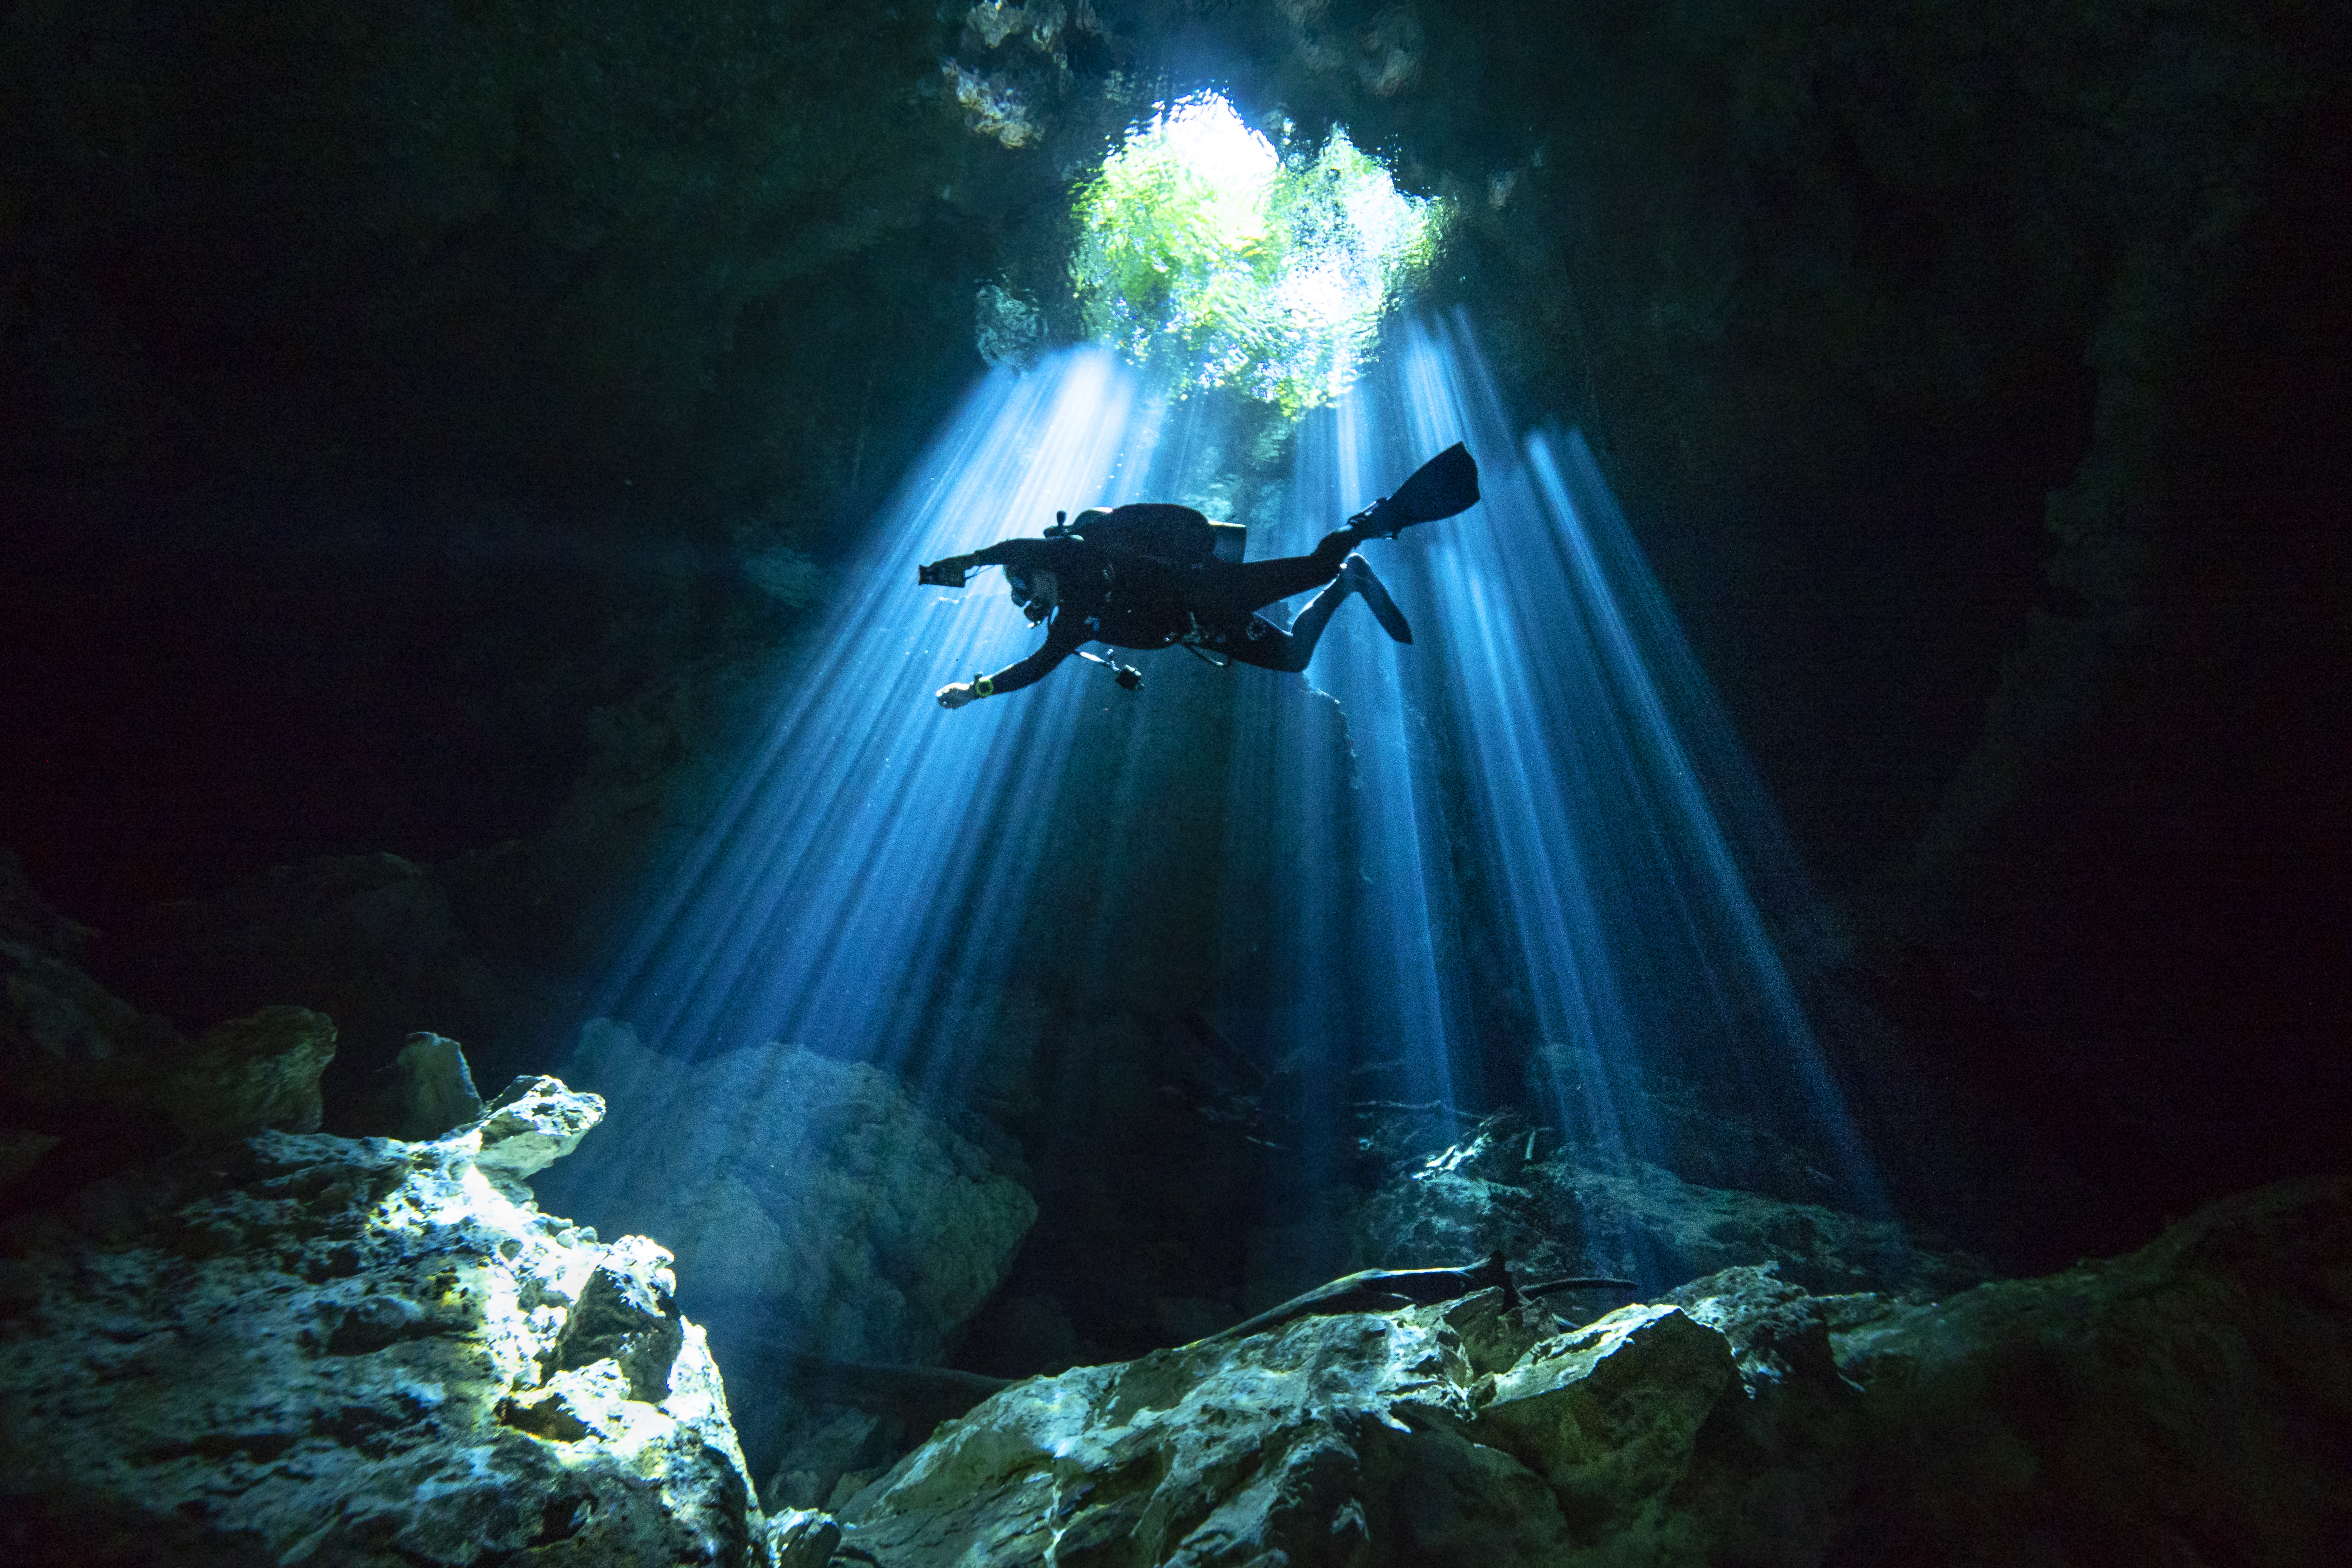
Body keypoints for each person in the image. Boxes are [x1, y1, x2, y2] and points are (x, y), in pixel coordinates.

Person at [921, 444, 1477, 708]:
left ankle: (1369, 526)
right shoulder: (1071, 624)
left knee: (1314, 564)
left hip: (1210, 589)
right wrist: (977, 690)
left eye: (1021, 584)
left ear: (1038, 567)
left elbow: (1014, 547)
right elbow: (1034, 669)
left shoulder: (1079, 557)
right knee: (1294, 658)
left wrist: (970, 562)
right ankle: (1350, 580)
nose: (1022, 599)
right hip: (1204, 627)